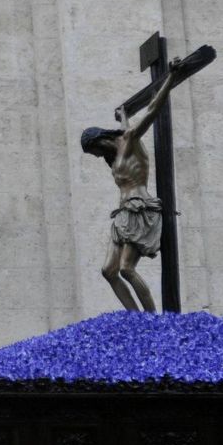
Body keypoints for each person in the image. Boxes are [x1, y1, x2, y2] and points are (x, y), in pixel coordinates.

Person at [80, 57, 187, 312]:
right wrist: (124, 115)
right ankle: (135, 319)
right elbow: (125, 126)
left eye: (93, 151)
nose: (96, 157)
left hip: (140, 209)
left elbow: (151, 111)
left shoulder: (129, 141)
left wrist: (170, 78)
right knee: (108, 271)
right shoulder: (116, 153)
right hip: (123, 214)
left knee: (127, 268)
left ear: (100, 140)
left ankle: (152, 322)